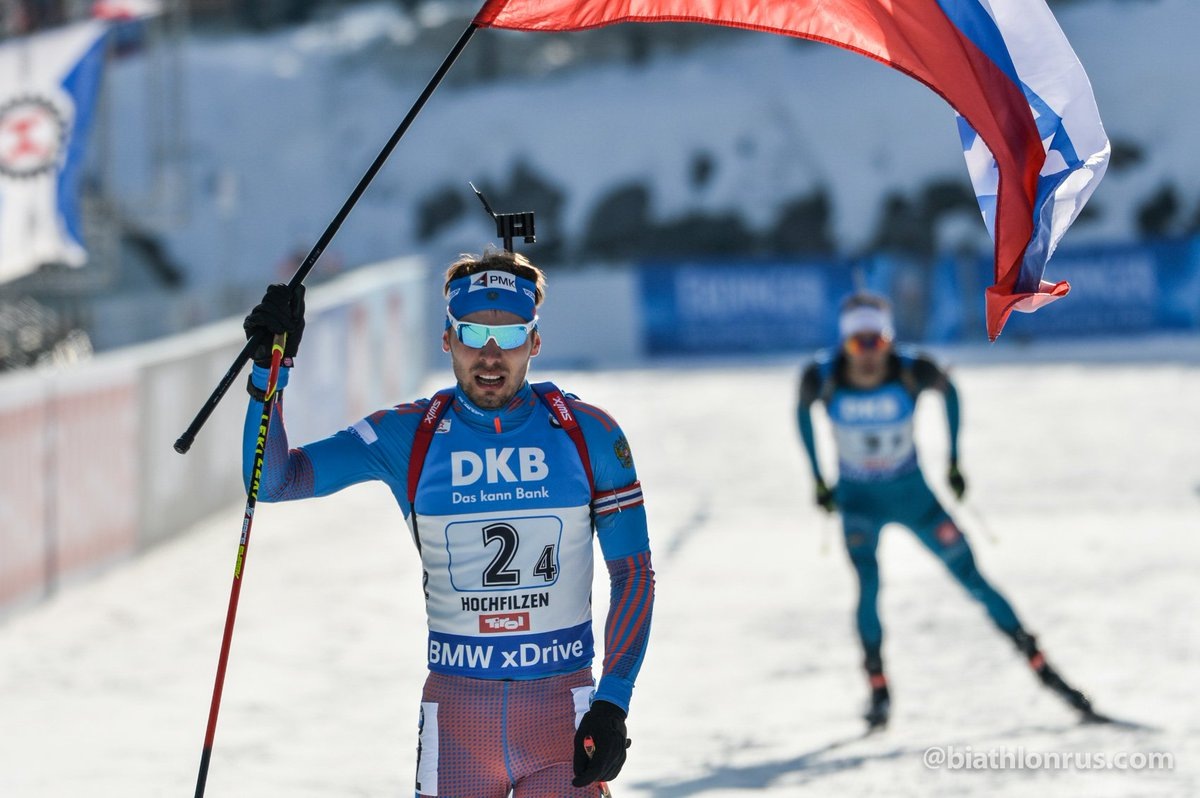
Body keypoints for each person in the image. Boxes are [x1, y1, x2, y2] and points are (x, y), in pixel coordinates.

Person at [241, 248, 655, 795]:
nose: (489, 355)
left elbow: (633, 573)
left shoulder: (588, 433)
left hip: (563, 717)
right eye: (471, 334)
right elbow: (273, 481)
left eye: (508, 336)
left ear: (534, 341)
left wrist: (613, 699)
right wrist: (269, 371)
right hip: (459, 720)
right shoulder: (409, 435)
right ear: (446, 339)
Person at [796, 293, 1093, 729]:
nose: (869, 356)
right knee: (869, 584)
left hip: (916, 500)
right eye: (858, 345)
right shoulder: (822, 377)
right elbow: (801, 413)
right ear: (844, 346)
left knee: (973, 579)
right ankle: (878, 689)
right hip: (859, 504)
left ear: (888, 341)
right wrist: (817, 478)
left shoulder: (911, 368)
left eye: (877, 342)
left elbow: (950, 391)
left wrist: (954, 459)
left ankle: (1042, 667)